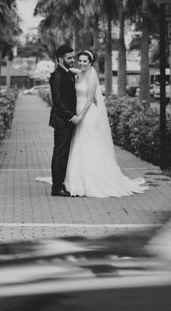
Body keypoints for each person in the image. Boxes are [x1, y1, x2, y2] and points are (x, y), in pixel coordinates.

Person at [41, 49, 147, 198]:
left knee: (85, 145)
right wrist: (48, 69)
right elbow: (58, 99)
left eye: (84, 60)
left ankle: (86, 181)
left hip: (85, 115)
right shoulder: (68, 73)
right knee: (66, 150)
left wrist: (79, 116)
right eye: (75, 59)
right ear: (60, 59)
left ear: (90, 63)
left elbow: (90, 99)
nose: (78, 62)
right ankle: (62, 185)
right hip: (68, 118)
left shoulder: (89, 76)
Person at [47, 45, 77, 197]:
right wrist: (72, 117)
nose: (73, 60)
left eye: (73, 57)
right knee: (60, 154)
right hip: (62, 122)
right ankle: (57, 187)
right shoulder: (58, 75)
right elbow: (57, 102)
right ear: (60, 59)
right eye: (69, 58)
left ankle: (60, 184)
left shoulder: (67, 73)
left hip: (66, 121)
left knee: (63, 154)